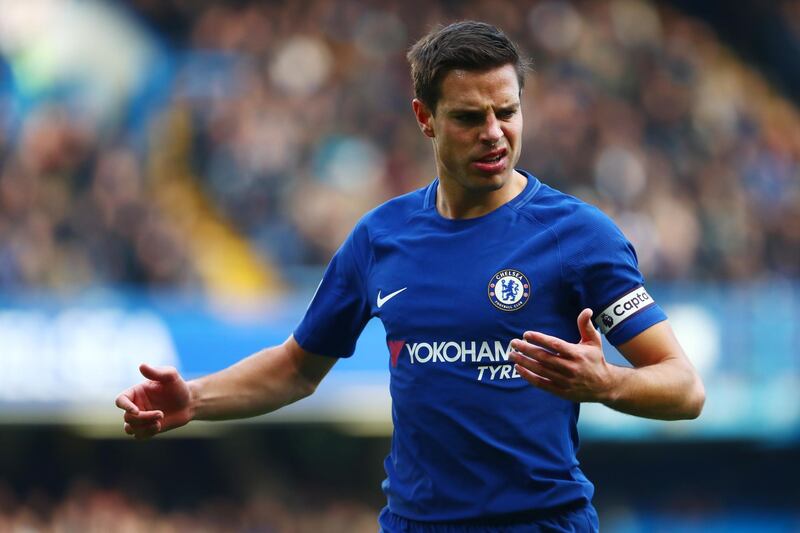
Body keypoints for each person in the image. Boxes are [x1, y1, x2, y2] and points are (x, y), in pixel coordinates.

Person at [116, 21, 705, 533]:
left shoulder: (578, 236)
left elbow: (684, 388)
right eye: (470, 118)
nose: (495, 133)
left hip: (543, 522)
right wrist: (194, 397)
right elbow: (298, 367)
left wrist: (608, 384)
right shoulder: (380, 238)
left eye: (508, 112)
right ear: (425, 118)